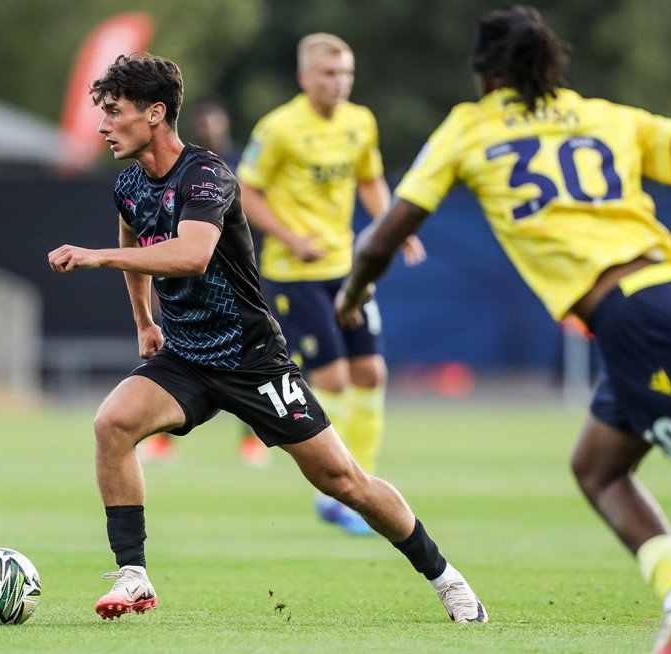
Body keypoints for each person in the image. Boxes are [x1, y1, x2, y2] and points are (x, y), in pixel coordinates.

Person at [335, 6, 671, 653]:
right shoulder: (604, 114)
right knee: (598, 468)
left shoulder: (471, 128)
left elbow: (385, 235)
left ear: (482, 75)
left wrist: (352, 294)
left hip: (636, 320)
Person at [48, 52, 488, 624]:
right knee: (112, 424)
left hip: (252, 361)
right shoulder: (129, 185)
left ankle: (446, 578)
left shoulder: (207, 176)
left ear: (155, 114)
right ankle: (133, 575)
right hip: (186, 356)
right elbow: (136, 241)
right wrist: (144, 321)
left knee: (345, 482)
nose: (103, 125)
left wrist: (95, 257)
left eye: (114, 111)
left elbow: (191, 253)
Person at [237, 33, 425, 535]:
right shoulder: (278, 128)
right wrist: (288, 236)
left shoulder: (360, 122)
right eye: (328, 73)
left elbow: (368, 179)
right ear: (305, 78)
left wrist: (392, 228)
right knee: (334, 379)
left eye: (345, 73)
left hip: (347, 268)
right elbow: (246, 191)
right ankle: (335, 489)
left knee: (371, 373)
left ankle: (359, 485)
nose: (338, 82)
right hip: (294, 273)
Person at [140, 95, 270, 467]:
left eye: (215, 121)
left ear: (225, 123)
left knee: (249, 361)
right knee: (177, 357)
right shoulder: (183, 168)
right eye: (204, 122)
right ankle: (164, 441)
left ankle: (251, 440)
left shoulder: (240, 166)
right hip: (189, 282)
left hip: (234, 278)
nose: (209, 128)